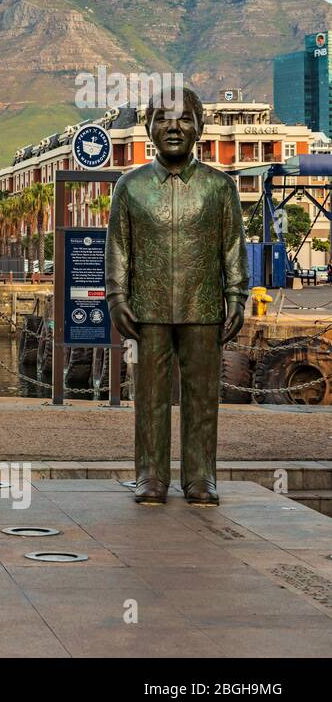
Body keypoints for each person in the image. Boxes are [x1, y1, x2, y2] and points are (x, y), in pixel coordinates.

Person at [106, 86, 248, 506]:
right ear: (148, 127)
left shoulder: (219, 187)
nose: (173, 126)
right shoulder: (129, 187)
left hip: (202, 307)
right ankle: (150, 475)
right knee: (148, 395)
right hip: (147, 308)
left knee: (203, 395)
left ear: (199, 127)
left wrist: (236, 296)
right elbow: (118, 247)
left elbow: (232, 247)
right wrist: (116, 296)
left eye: (184, 118)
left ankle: (201, 477)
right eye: (163, 118)